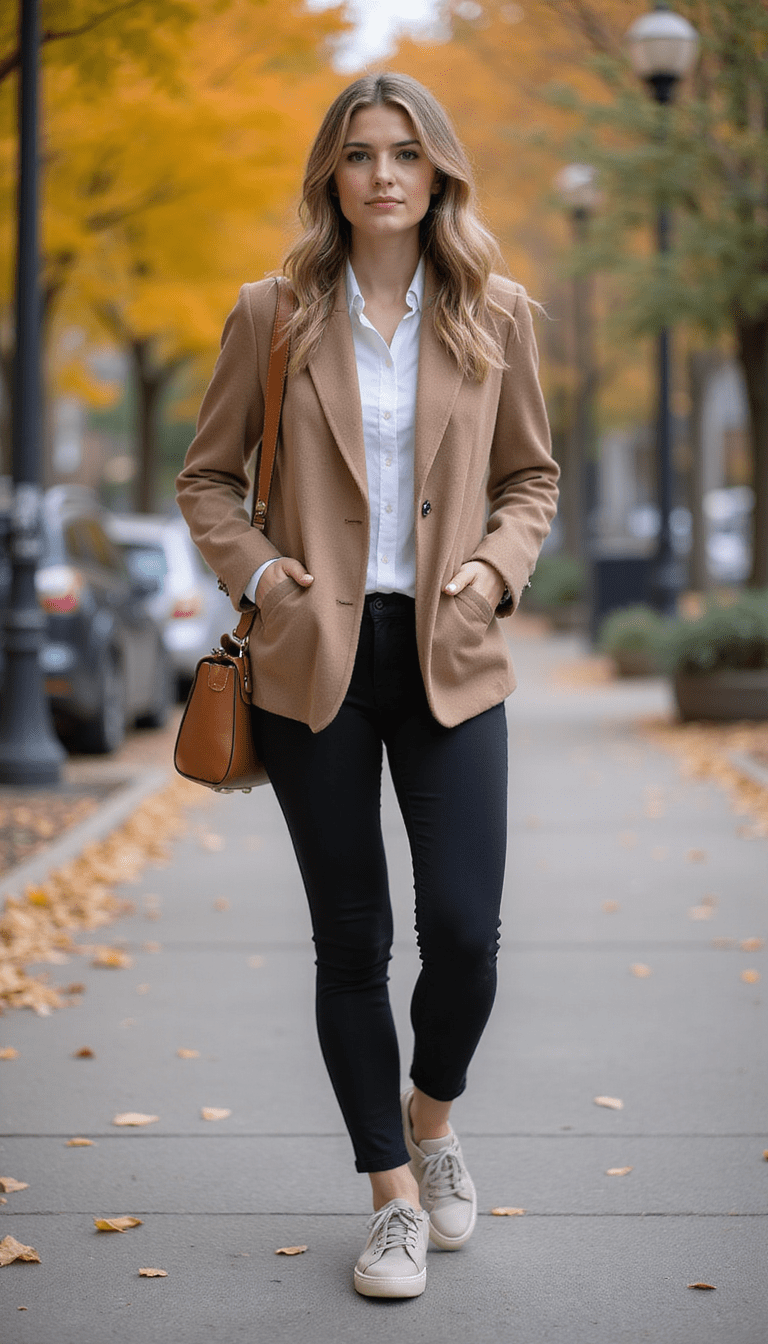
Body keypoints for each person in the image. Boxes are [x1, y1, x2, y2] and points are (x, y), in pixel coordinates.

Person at [176, 71, 558, 1300]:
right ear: (330, 176)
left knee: (463, 933)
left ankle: (430, 1116)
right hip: (313, 663)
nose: (383, 174)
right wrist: (265, 579)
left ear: (439, 171)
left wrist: (495, 575)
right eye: (359, 154)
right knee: (353, 940)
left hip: (451, 652)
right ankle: (390, 1196)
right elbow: (208, 480)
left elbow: (531, 480)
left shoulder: (495, 313)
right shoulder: (272, 313)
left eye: (405, 152)